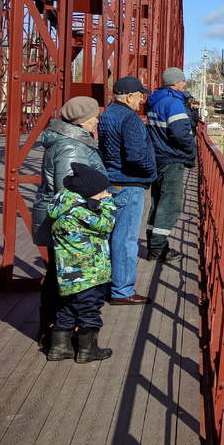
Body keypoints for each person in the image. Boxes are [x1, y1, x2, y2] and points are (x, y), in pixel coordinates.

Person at [31, 95, 107, 345]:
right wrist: (96, 209)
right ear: (83, 120)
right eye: (95, 116)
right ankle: (54, 333)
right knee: (61, 275)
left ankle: (53, 332)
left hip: (57, 217)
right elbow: (71, 188)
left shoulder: (71, 140)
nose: (97, 120)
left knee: (57, 273)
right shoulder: (71, 146)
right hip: (69, 222)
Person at [45, 163, 118, 363]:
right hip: (88, 274)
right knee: (89, 309)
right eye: (101, 191)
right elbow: (106, 224)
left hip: (68, 275)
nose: (104, 193)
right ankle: (88, 351)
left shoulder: (63, 207)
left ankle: (59, 348)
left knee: (67, 308)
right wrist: (109, 204)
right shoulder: (80, 212)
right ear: (88, 192)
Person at [97, 75, 156, 304]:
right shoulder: (130, 118)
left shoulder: (108, 114)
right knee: (126, 238)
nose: (141, 100)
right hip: (129, 183)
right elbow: (135, 155)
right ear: (129, 96)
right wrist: (151, 169)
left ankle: (108, 284)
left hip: (112, 180)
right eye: (140, 95)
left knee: (111, 236)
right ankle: (122, 290)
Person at [145, 67, 196, 261]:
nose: (184, 85)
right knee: (170, 205)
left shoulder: (155, 101)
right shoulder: (174, 103)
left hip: (157, 157)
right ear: (176, 82)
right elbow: (181, 133)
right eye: (183, 81)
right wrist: (191, 153)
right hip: (172, 159)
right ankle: (158, 249)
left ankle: (154, 243)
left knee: (157, 202)